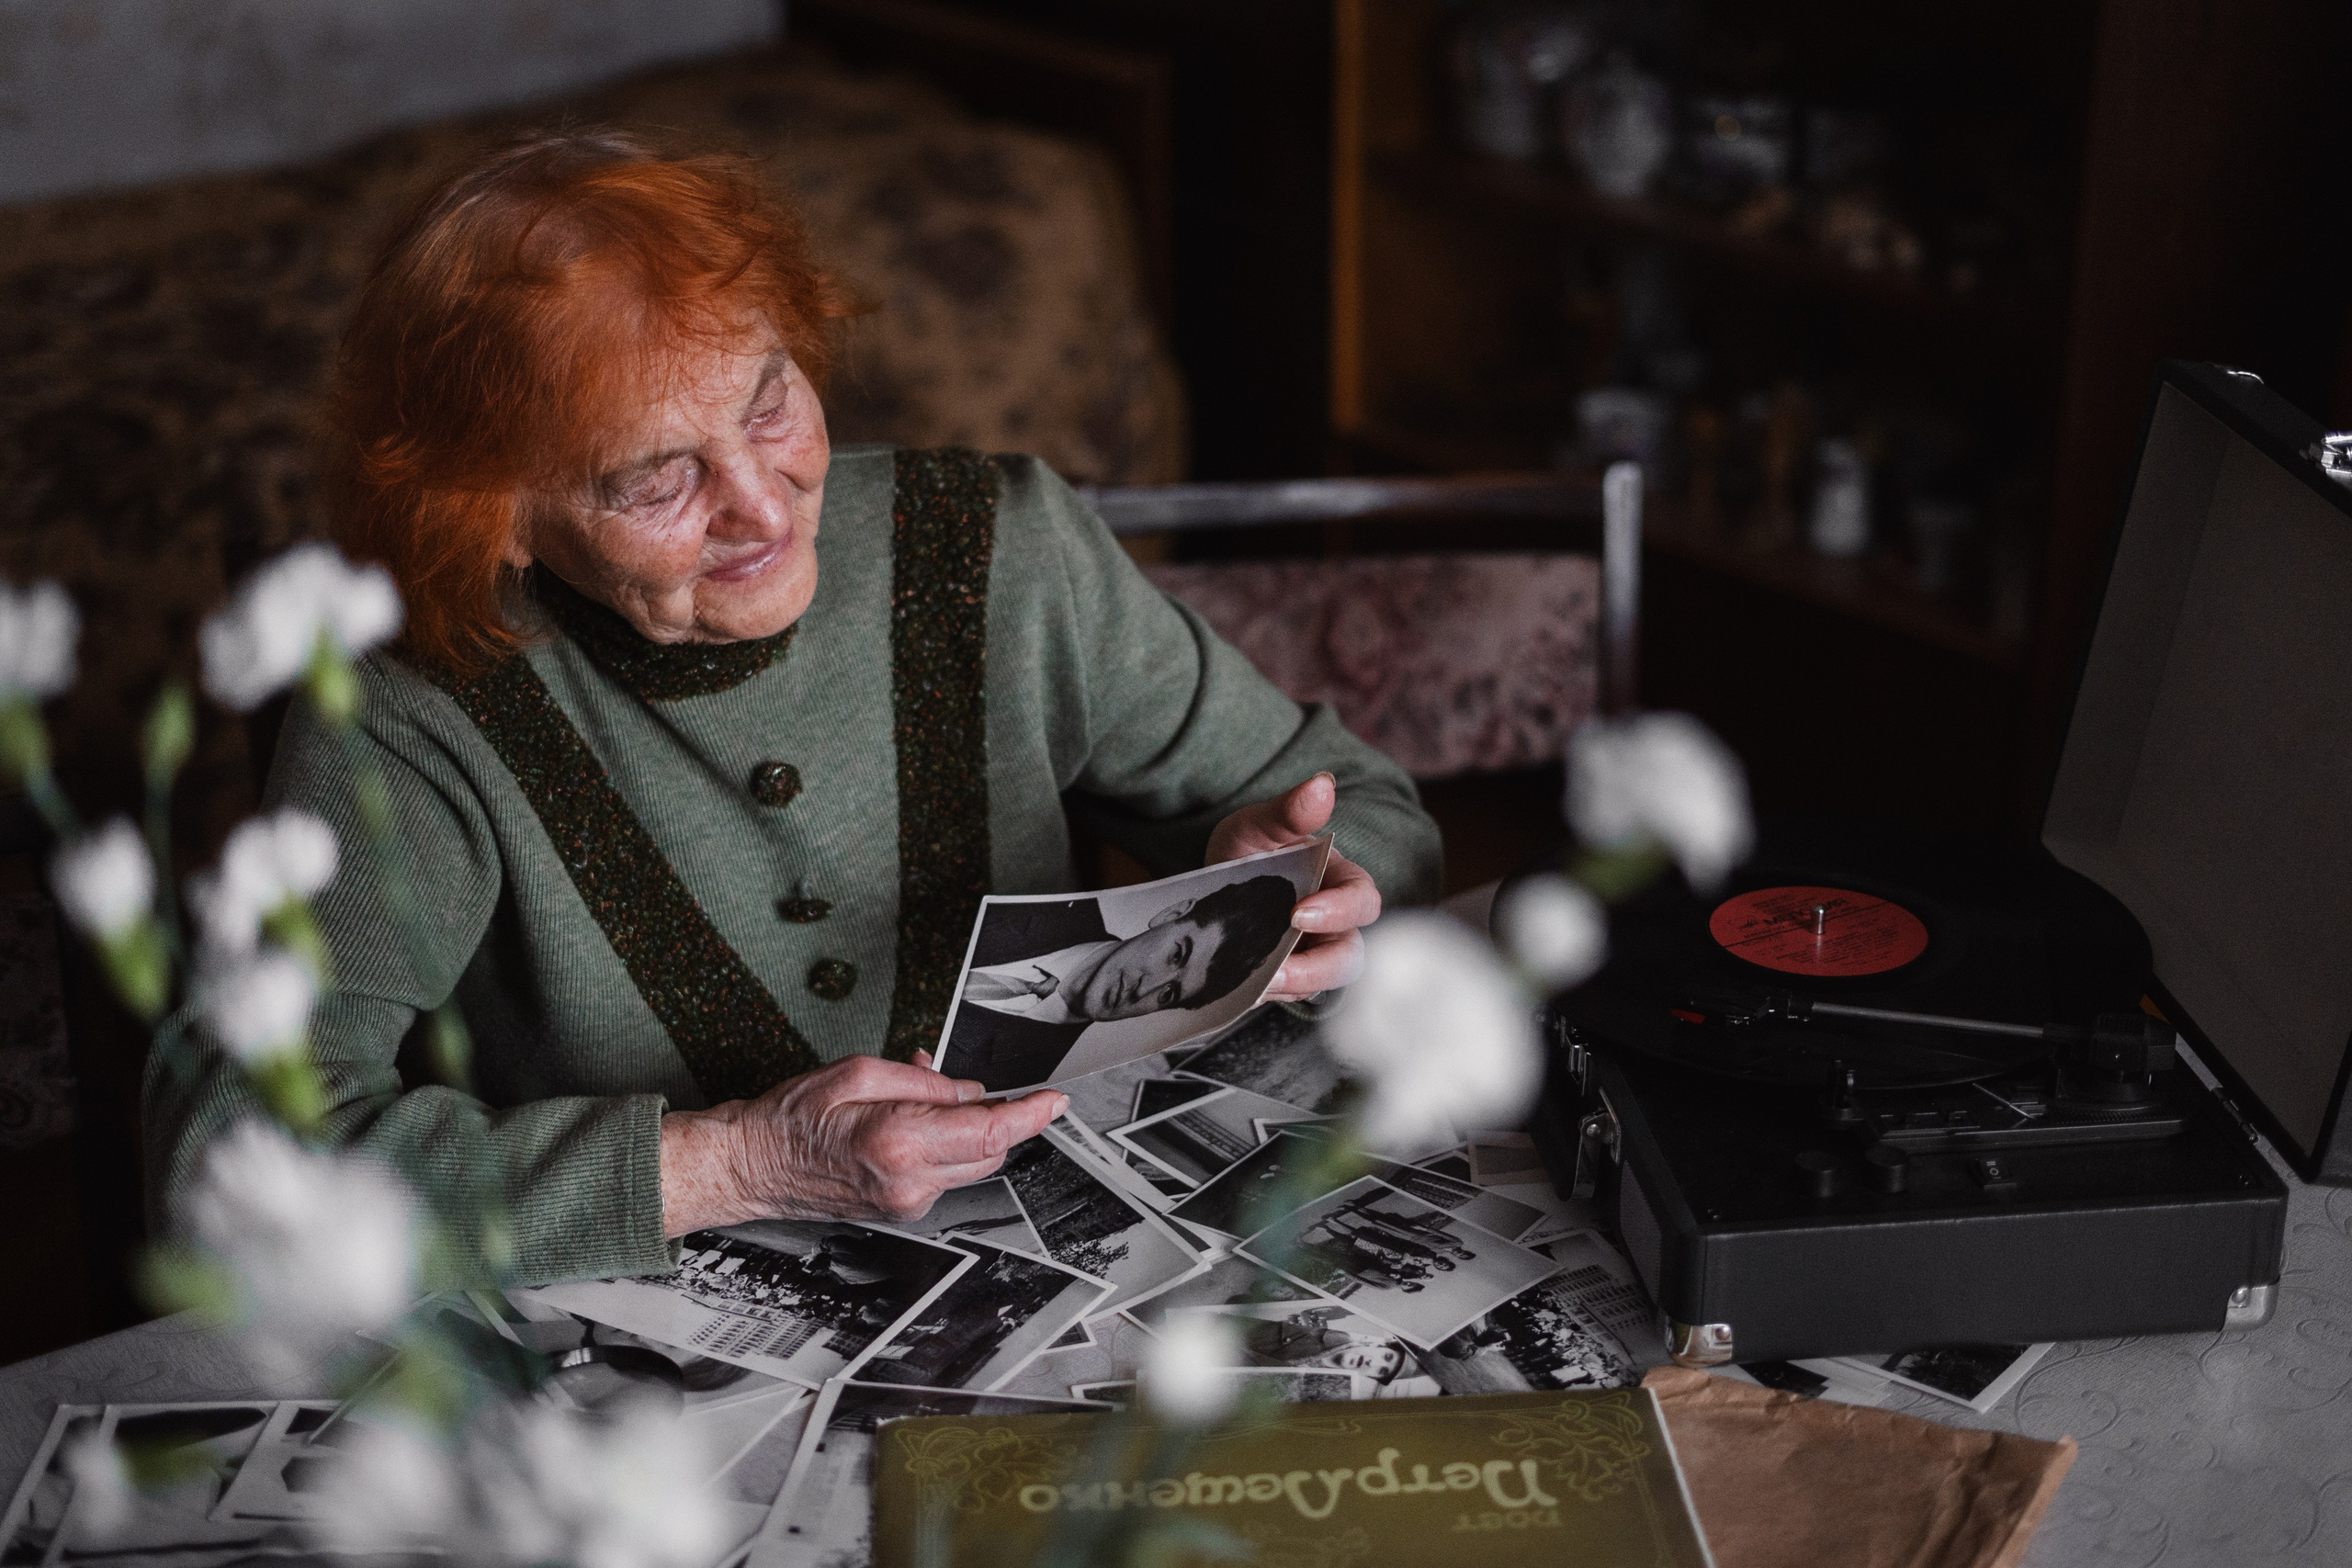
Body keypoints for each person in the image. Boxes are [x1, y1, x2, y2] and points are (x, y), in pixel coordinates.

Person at [140, 130, 1440, 1287]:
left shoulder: (1004, 544)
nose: (761, 505)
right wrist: (736, 1164)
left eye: (769, 402)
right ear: (503, 515)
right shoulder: (410, 706)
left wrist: (1303, 884)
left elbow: (1362, 805)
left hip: (1112, 1275)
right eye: (658, 479)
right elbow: (230, 1171)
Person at [946, 873, 1296, 1091]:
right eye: (1177, 955)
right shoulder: (1048, 892)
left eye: (1170, 993)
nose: (1145, 990)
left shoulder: (1024, 1078)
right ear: (1171, 915)